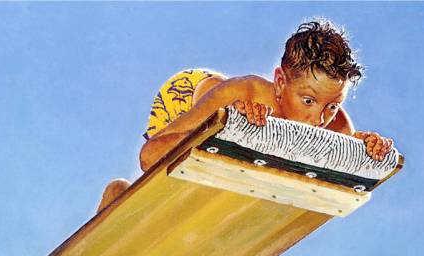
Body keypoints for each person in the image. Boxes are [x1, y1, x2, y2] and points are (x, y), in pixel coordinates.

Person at [97, 20, 394, 213]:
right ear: (280, 83)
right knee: (164, 177)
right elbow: (149, 156)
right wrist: (225, 126)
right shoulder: (247, 92)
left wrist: (366, 145)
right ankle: (119, 194)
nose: (319, 119)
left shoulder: (336, 124)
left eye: (332, 105)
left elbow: (345, 168)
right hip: (190, 93)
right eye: (308, 100)